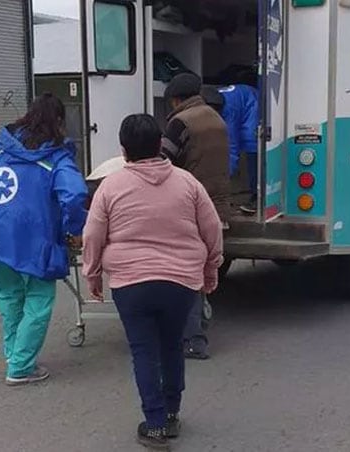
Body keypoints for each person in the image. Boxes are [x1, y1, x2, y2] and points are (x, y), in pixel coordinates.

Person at [82, 114, 224, 450]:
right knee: (172, 345)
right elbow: (212, 229)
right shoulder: (188, 183)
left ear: (123, 150)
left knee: (143, 352)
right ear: (160, 145)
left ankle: (156, 424)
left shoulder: (111, 186)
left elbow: (93, 235)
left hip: (131, 284)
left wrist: (93, 273)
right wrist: (211, 268)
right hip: (180, 283)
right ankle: (172, 414)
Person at [0, 93, 87, 386]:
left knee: (9, 294)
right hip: (32, 234)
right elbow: (75, 194)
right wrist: (75, 227)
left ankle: (15, 355)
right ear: (59, 121)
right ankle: (20, 367)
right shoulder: (56, 156)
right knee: (39, 298)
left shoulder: (0, 149)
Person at [161, 73, 231, 361]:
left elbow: (162, 162)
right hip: (216, 205)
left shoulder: (181, 122)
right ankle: (197, 324)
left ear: (176, 99)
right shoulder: (216, 119)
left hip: (188, 206)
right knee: (199, 267)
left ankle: (193, 339)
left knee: (183, 272)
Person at [200, 83, 260, 214]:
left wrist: (225, 178)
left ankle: (258, 197)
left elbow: (232, 146)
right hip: (244, 96)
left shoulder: (228, 110)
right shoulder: (208, 103)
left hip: (252, 103)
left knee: (251, 143)